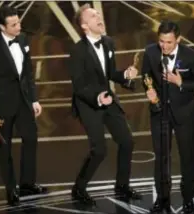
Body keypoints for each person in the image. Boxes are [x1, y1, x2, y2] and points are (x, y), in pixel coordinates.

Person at [68, 3, 141, 205]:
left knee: (127, 141)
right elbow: (79, 86)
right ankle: (78, 189)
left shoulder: (108, 43)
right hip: (88, 104)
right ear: (84, 26)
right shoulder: (77, 51)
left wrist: (125, 75)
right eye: (93, 16)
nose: (99, 16)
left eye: (98, 13)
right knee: (99, 150)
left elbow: (109, 74)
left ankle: (122, 187)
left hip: (108, 100)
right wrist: (98, 97)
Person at [141, 20, 194, 214]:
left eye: (169, 42)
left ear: (178, 39)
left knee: (187, 158)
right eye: (161, 41)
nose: (164, 46)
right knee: (161, 159)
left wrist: (181, 83)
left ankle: (188, 200)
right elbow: (145, 76)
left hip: (184, 114)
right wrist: (150, 90)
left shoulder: (191, 57)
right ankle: (162, 200)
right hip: (159, 113)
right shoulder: (151, 52)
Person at [0, 5, 47, 206]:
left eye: (18, 22)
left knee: (31, 139)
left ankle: (27, 183)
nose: (19, 26)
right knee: (5, 147)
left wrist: (34, 99)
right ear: (2, 27)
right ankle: (11, 189)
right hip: (2, 107)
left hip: (24, 102)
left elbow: (27, 73)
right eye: (14, 24)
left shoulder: (23, 40)